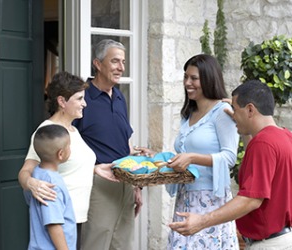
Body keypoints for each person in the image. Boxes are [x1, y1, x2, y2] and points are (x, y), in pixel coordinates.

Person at [169, 79, 292, 249]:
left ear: (250, 109)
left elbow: (251, 200)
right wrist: (242, 129)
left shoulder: (263, 144)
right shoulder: (284, 137)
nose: (233, 115)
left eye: (235, 109)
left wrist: (202, 221)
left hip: (268, 244)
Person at [18, 71, 116, 249]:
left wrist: (96, 169)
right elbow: (25, 171)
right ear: (62, 101)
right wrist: (31, 183)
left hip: (75, 217)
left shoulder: (71, 129)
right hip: (58, 217)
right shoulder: (48, 133)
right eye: (79, 99)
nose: (84, 104)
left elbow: (68, 164)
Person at [72, 39, 142, 250]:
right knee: (95, 245)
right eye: (115, 61)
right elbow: (67, 144)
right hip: (98, 186)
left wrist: (136, 184)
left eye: (123, 61)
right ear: (98, 64)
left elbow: (125, 142)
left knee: (123, 245)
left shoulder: (120, 97)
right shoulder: (81, 98)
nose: (121, 67)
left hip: (126, 182)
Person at [165, 54, 240, 249]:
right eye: (185, 77)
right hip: (185, 198)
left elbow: (230, 156)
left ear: (208, 78)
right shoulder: (189, 114)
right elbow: (184, 153)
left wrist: (192, 158)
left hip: (211, 201)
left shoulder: (222, 111)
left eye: (194, 78)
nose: (187, 83)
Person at [24, 124, 76, 250]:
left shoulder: (35, 175)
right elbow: (53, 224)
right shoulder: (51, 185)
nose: (70, 148)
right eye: (69, 145)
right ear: (61, 154)